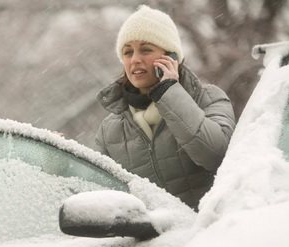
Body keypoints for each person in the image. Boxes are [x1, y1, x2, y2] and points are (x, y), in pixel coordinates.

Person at [94, 5, 235, 210]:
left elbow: (215, 156)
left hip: (208, 236)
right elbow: (96, 195)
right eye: (127, 52)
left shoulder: (209, 99)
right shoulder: (110, 130)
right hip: (153, 241)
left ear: (172, 57)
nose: (135, 59)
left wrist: (169, 92)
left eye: (146, 49)